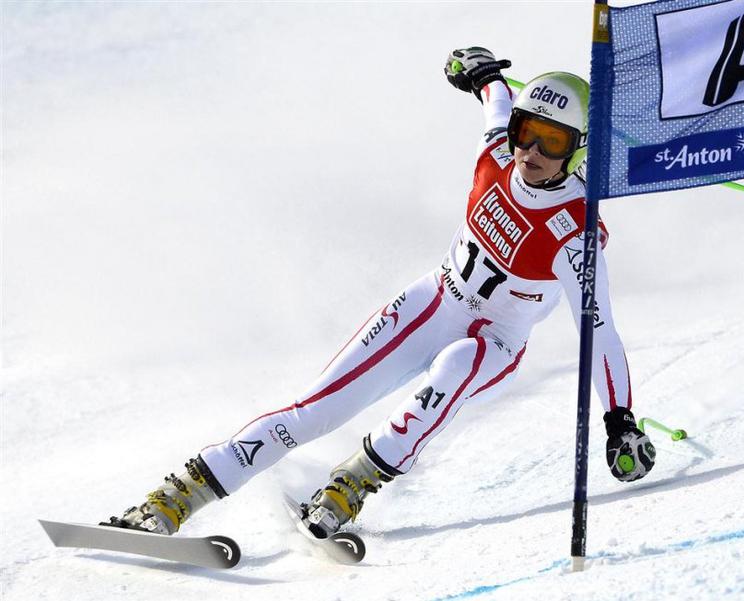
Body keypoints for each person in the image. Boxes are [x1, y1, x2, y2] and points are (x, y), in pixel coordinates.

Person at [111, 47, 656, 538]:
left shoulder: (574, 233)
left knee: (456, 366)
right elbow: (495, 99)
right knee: (315, 411)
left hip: (496, 341)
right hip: (435, 301)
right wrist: (482, 73)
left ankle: (353, 483)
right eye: (525, 130)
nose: (531, 150)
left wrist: (619, 420)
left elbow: (599, 332)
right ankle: (178, 497)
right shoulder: (496, 152)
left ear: (578, 151)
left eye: (552, 141)